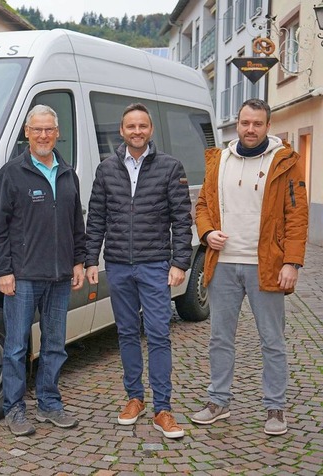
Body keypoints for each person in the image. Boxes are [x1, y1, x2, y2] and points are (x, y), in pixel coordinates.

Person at [191, 98, 308, 436]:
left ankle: (275, 407)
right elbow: (203, 205)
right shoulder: (220, 160)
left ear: (268, 126)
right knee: (219, 338)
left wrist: (292, 262)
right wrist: (207, 232)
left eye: (258, 123)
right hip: (223, 264)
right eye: (245, 123)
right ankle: (218, 401)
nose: (251, 129)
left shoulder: (284, 162)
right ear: (237, 124)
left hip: (266, 265)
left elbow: (297, 216)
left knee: (272, 340)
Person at [85, 103, 192, 439]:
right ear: (121, 130)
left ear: (150, 130)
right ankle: (135, 398)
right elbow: (96, 218)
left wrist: (180, 263)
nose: (136, 131)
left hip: (155, 265)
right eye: (130, 126)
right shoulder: (106, 169)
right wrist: (91, 260)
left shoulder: (170, 167)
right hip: (117, 265)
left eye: (142, 126)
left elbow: (182, 220)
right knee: (127, 334)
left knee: (159, 334)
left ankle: (163, 408)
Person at [0, 104, 86, 436]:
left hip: (60, 276)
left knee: (55, 344)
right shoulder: (11, 173)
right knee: (16, 346)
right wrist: (4, 270)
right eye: (37, 130)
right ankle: (14, 408)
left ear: (57, 133)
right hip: (24, 276)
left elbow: (77, 223)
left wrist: (78, 260)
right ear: (26, 133)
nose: (43, 135)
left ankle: (49, 404)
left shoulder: (67, 172)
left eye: (49, 129)